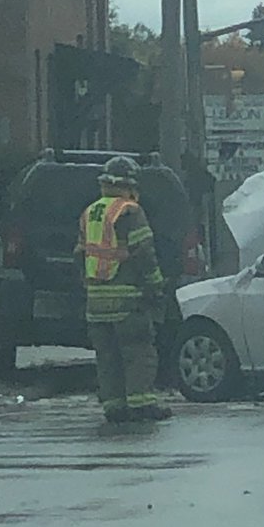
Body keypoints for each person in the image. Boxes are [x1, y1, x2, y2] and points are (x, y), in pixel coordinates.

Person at [76, 156, 172, 423]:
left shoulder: (90, 213)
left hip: (95, 303)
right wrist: (155, 284)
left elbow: (80, 254)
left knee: (107, 357)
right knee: (139, 353)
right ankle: (141, 404)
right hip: (127, 301)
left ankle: (114, 406)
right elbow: (144, 253)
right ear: (130, 185)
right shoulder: (130, 211)